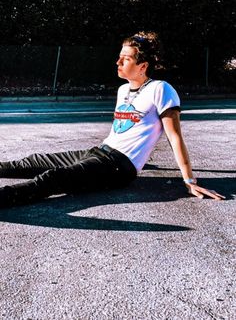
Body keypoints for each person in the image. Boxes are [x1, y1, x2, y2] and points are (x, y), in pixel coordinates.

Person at [0, 31, 225, 208]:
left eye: (125, 59)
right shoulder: (123, 90)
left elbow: (175, 137)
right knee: (33, 161)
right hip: (100, 152)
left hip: (118, 167)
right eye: (119, 57)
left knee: (53, 179)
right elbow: (125, 132)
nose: (118, 62)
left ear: (143, 66)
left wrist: (189, 181)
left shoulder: (161, 89)